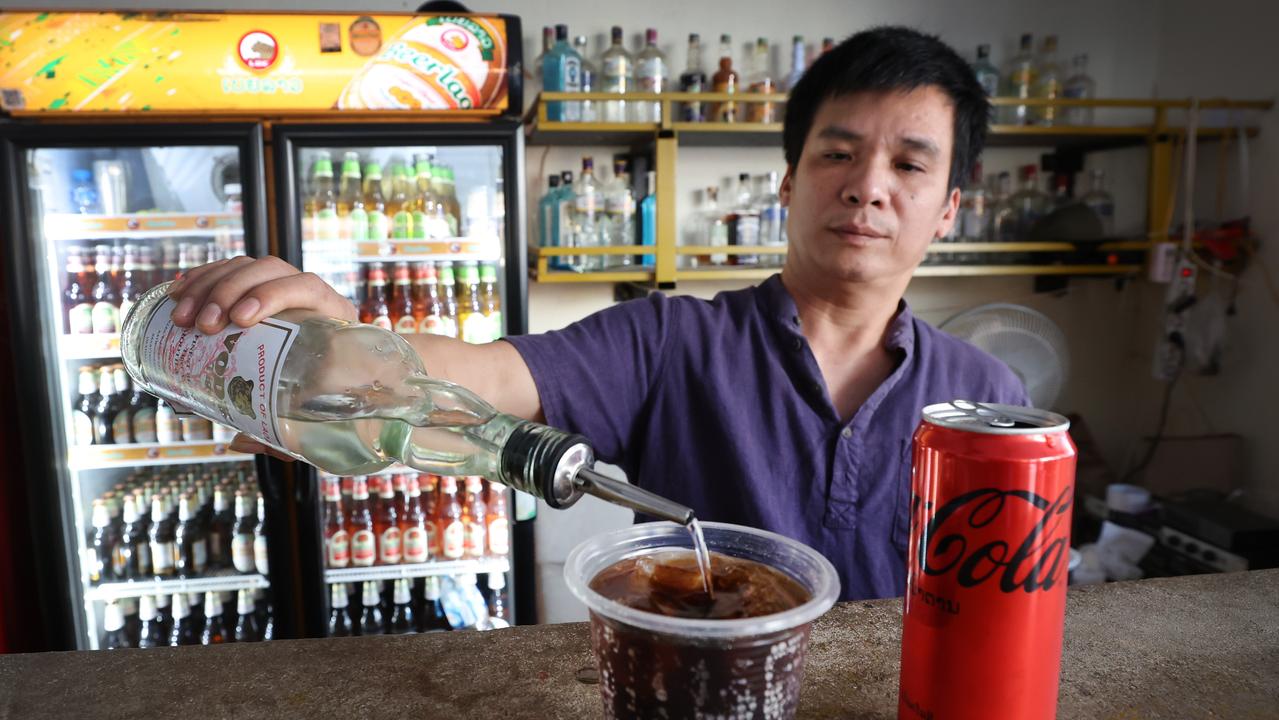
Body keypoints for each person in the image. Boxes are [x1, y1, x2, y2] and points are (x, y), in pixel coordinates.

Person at [167, 27, 1026, 601]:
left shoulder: (990, 395)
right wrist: (337, 344)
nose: (867, 186)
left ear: (949, 207)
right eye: (837, 152)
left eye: (909, 166)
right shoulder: (669, 341)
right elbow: (486, 379)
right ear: (789, 182)